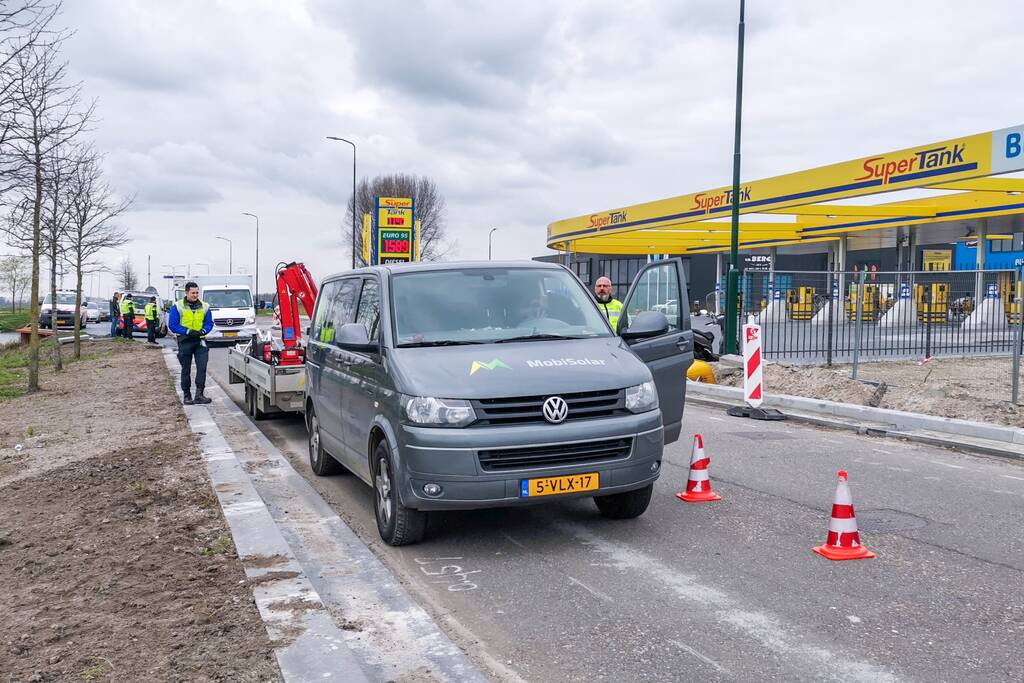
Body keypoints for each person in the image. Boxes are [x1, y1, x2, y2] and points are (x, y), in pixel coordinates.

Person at [168, 281, 213, 405]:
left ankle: (199, 394)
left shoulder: (205, 306)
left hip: (200, 341)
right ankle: (187, 396)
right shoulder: (177, 306)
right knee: (186, 369)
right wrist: (187, 331)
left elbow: (209, 323)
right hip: (185, 341)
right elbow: (173, 325)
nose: (195, 295)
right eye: (193, 293)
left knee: (202, 368)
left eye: (197, 293)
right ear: (186, 293)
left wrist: (204, 330)